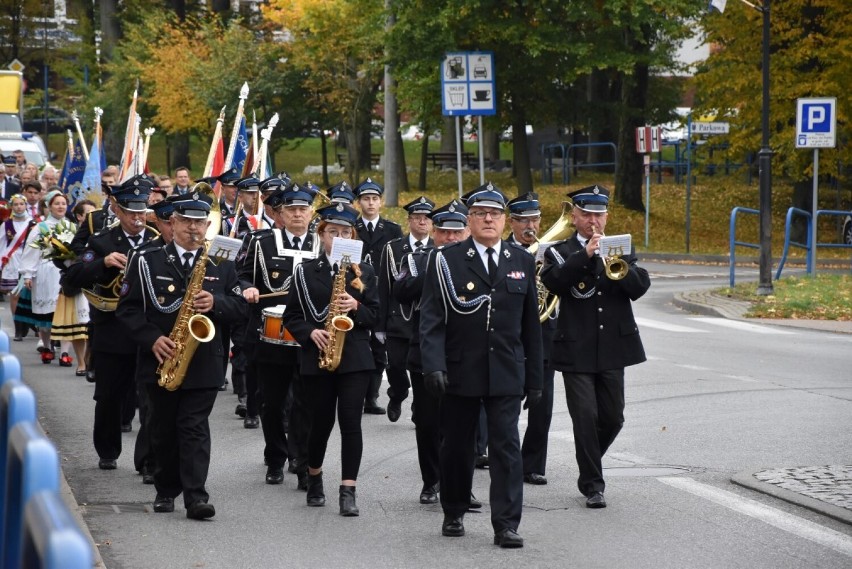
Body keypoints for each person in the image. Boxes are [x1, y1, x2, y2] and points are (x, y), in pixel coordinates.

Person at [419, 182, 542, 548]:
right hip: (460, 370)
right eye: (480, 213)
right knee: (457, 446)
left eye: (495, 213)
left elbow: (530, 327)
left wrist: (535, 378)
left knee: (507, 448)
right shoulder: (447, 260)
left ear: (505, 220)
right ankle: (454, 509)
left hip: (505, 371)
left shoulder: (521, 260)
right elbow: (431, 318)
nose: (488, 219)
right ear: (469, 219)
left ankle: (506, 524)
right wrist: (433, 365)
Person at [117, 190, 246, 520]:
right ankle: (165, 487)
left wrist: (216, 303)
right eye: (187, 221)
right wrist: (152, 340)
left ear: (208, 225)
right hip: (160, 358)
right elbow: (128, 311)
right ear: (171, 223)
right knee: (163, 428)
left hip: (205, 360)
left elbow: (241, 308)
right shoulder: (147, 260)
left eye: (200, 222)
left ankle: (196, 496)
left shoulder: (222, 262)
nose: (194, 229)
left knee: (194, 427)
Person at [540, 184, 650, 509]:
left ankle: (589, 461)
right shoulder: (558, 251)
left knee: (614, 418)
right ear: (574, 217)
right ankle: (592, 484)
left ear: (607, 216)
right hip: (575, 347)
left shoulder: (620, 248)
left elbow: (639, 287)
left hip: (614, 348)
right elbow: (555, 281)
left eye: (598, 214)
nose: (592, 221)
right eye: (586, 214)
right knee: (585, 416)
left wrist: (616, 265)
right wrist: (586, 256)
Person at [283, 203, 379, 517]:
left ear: (354, 236)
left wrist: (356, 305)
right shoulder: (306, 271)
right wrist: (310, 333)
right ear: (321, 235)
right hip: (318, 357)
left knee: (351, 423)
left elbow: (377, 316)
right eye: (332, 232)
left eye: (345, 233)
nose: (339, 238)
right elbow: (292, 317)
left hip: (354, 358)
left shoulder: (364, 271)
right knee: (320, 424)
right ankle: (314, 478)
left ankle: (348, 490)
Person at [63, 174, 159, 470]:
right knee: (108, 396)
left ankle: (147, 461)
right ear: (117, 210)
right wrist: (101, 263)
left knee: (151, 399)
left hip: (148, 330)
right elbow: (71, 280)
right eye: (130, 212)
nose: (136, 218)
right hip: (112, 329)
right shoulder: (102, 240)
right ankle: (107, 450)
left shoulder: (157, 241)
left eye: (141, 211)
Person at [392, 199, 469, 505]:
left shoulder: (473, 259)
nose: (450, 238)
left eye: (456, 233)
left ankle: (460, 485)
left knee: (461, 424)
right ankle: (431, 481)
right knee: (427, 422)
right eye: (444, 233)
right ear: (435, 233)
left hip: (464, 351)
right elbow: (401, 290)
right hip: (425, 350)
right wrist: (436, 268)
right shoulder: (417, 258)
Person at [239, 184, 315, 488]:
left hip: (310, 336)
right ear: (280, 213)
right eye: (291, 209)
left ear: (310, 213)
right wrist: (248, 287)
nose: (297, 214)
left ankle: (301, 460)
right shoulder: (260, 242)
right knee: (271, 402)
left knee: (305, 402)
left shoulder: (323, 244)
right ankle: (275, 457)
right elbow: (240, 274)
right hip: (270, 335)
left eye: (303, 209)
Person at [506, 192, 557, 486]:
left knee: (543, 405)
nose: (530, 226)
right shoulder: (502, 251)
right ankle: (504, 455)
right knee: (507, 403)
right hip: (511, 337)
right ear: (511, 222)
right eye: (524, 220)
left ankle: (533, 465)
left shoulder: (552, 253)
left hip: (543, 337)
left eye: (534, 219)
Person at [377, 196, 434, 422]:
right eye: (417, 218)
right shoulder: (393, 248)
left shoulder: (437, 248)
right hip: (398, 319)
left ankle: (419, 407)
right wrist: (380, 325)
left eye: (426, 218)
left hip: (425, 320)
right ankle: (398, 393)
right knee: (397, 366)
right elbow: (384, 287)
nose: (422, 222)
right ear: (409, 221)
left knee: (421, 370)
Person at [353, 178, 402, 415]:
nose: (370, 203)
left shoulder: (392, 230)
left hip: (382, 294)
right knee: (358, 344)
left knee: (379, 349)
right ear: (359, 202)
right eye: (366, 199)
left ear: (380, 202)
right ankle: (355, 394)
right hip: (357, 291)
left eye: (374, 199)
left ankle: (371, 397)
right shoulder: (351, 227)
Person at [19, 189, 69, 363]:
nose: (61, 206)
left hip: (65, 274)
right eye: (57, 203)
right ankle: (47, 346)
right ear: (49, 206)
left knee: (65, 312)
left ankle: (64, 351)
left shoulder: (71, 227)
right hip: (45, 273)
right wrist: (27, 274)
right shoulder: (41, 227)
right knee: (45, 313)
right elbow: (31, 251)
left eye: (63, 203)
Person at [1, 194, 33, 339]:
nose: (19, 207)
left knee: (31, 293)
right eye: (16, 204)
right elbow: (1, 244)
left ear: (26, 205)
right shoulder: (7, 224)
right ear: (12, 207)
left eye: (21, 204)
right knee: (15, 295)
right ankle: (18, 326)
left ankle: (32, 322)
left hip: (29, 259)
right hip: (13, 262)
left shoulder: (33, 223)